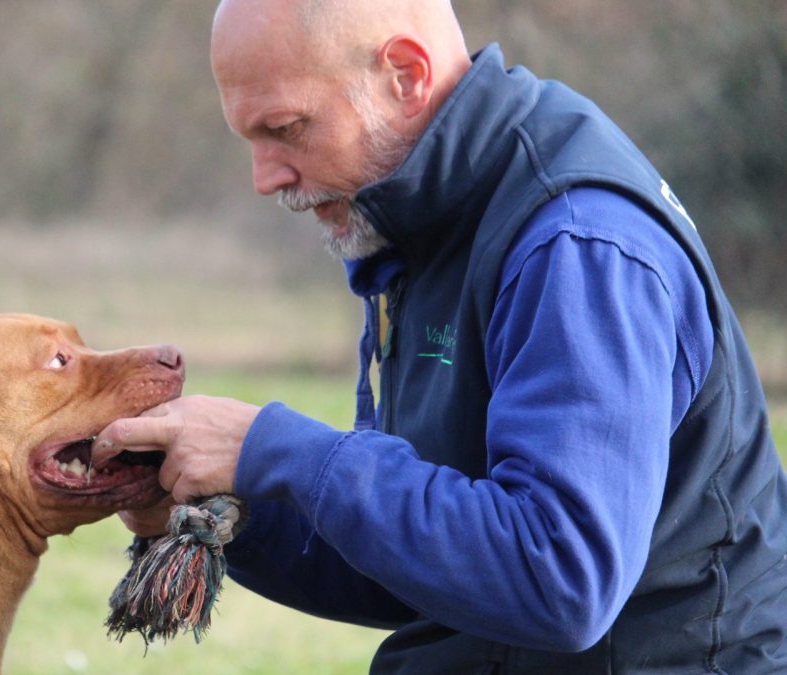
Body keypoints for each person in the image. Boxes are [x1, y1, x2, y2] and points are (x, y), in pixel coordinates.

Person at [92, 0, 787, 671]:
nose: (264, 177)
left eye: (286, 128)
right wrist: (219, 505)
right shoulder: (426, 224)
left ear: (406, 75)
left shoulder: (576, 244)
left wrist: (276, 448)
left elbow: (560, 578)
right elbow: (423, 560)